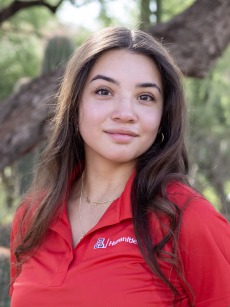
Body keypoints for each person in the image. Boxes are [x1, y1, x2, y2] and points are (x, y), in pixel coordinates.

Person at [10, 26, 230, 307]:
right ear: (75, 105)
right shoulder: (32, 217)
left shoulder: (188, 219)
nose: (125, 114)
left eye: (145, 97)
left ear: (163, 116)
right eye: (104, 91)